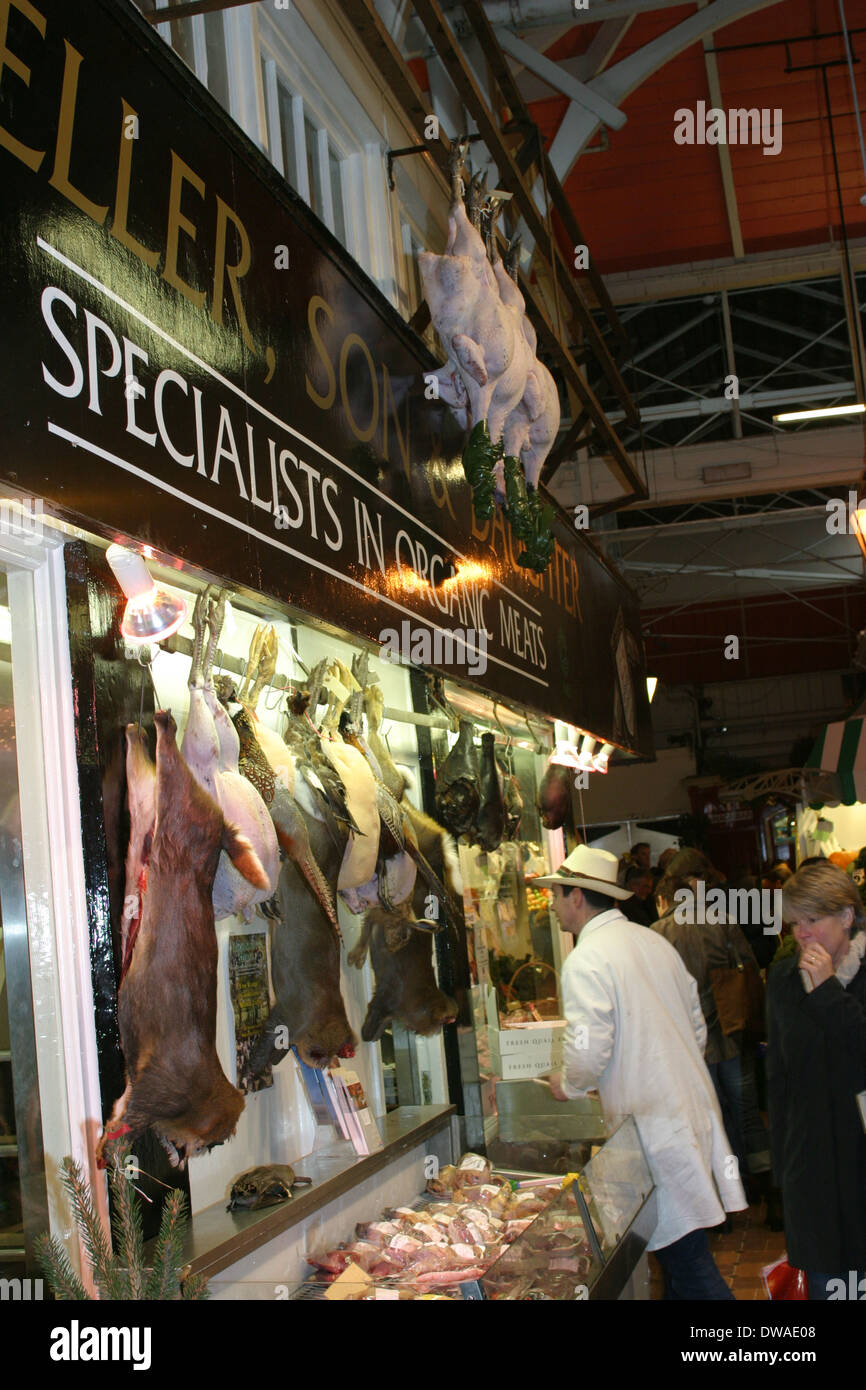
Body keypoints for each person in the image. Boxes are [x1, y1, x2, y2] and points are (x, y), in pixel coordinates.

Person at [538, 845, 745, 1299]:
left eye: (556, 895)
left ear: (577, 897)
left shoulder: (586, 960)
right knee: (679, 1261)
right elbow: (696, 1025)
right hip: (685, 1112)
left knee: (687, 1261)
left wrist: (567, 1083)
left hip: (655, 1130)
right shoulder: (653, 941)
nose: (552, 906)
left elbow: (589, 1050)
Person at [767, 861, 866, 1300]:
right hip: (813, 1168)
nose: (801, 933)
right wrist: (782, 1169)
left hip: (859, 1157)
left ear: (846, 916)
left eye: (813, 920)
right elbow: (779, 1076)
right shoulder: (784, 980)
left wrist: (828, 991)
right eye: (794, 922)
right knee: (829, 1287)